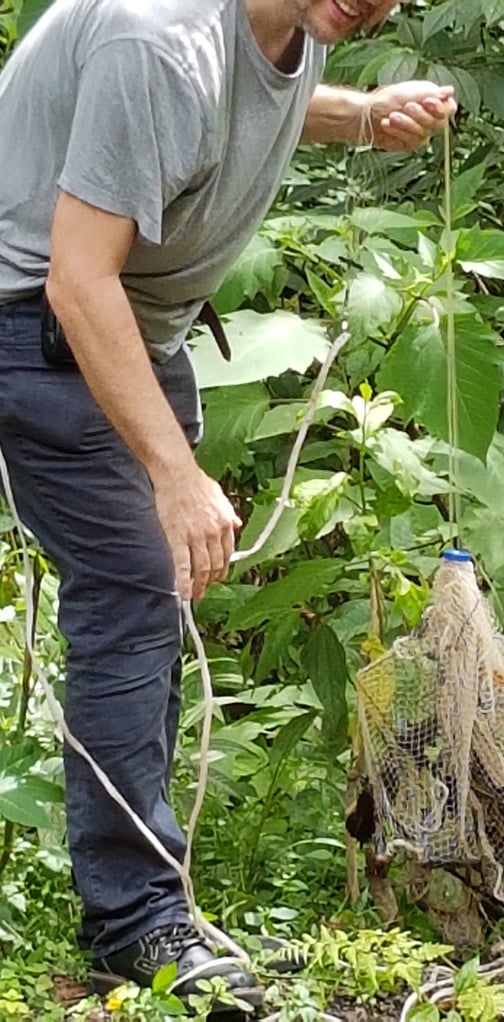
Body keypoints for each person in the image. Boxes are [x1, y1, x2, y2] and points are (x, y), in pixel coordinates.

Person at [0, 0, 454, 1012]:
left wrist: (362, 114)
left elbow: (243, 98)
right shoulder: (156, 39)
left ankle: (145, 904)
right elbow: (77, 279)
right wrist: (174, 475)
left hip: (130, 329)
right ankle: (135, 925)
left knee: (153, 598)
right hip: (43, 321)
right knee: (131, 589)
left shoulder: (286, 25)